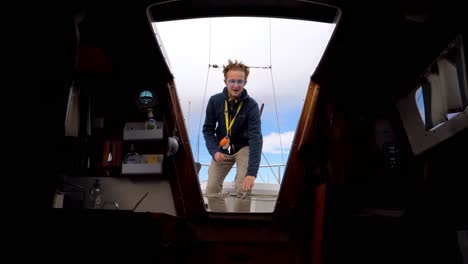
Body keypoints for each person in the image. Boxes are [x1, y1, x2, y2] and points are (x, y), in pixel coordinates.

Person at [203, 59, 263, 212]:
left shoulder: (252, 106)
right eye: (232, 81)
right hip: (223, 149)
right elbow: (208, 130)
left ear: (245, 82)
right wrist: (214, 151)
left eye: (240, 81)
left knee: (244, 187)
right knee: (210, 190)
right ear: (225, 81)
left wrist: (252, 173)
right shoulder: (215, 101)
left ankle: (240, 225)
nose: (236, 85)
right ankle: (222, 222)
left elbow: (256, 139)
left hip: (244, 147)